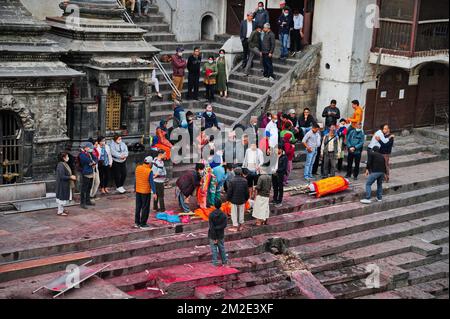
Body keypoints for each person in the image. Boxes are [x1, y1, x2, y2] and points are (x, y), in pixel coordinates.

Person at [134, 156, 156, 229]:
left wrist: (135, 188)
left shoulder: (138, 168)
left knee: (138, 207)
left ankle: (137, 222)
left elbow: (136, 179)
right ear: (149, 163)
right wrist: (155, 192)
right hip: (145, 192)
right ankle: (143, 223)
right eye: (151, 163)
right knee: (145, 207)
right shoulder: (149, 171)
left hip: (138, 190)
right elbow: (151, 182)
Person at [227, 167, 250, 232]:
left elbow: (229, 192)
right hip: (242, 199)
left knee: (234, 213)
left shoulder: (232, 181)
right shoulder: (245, 180)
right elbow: (247, 192)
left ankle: (235, 226)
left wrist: (228, 199)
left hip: (233, 199)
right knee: (241, 212)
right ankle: (241, 225)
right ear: (241, 173)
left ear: (234, 173)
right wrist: (246, 199)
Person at [208, 199, 228, 266]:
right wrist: (218, 228)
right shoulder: (224, 215)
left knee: (214, 249)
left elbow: (211, 227)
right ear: (221, 205)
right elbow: (224, 225)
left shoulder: (211, 215)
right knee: (221, 248)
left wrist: (214, 237)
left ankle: (215, 262)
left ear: (214, 205)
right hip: (220, 234)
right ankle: (224, 261)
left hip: (212, 235)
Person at [55, 152, 77, 216]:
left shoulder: (64, 164)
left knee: (63, 198)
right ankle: (60, 211)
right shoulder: (61, 165)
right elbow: (62, 176)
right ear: (63, 158)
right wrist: (70, 177)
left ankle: (62, 209)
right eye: (67, 157)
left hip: (65, 184)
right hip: (62, 184)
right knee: (61, 198)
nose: (68, 158)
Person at [79, 142, 98, 209]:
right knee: (84, 188)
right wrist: (92, 162)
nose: (91, 149)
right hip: (86, 172)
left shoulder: (90, 153)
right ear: (86, 148)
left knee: (89, 187)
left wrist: (94, 162)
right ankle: (82, 203)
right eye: (89, 148)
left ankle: (87, 200)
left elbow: (95, 158)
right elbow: (87, 161)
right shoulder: (82, 154)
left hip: (91, 172)